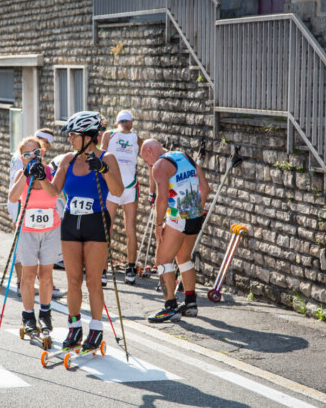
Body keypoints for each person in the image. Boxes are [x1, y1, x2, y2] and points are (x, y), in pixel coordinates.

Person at [49, 111, 123, 351]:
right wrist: (40, 178)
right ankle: (74, 327)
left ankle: (96, 329)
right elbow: (54, 191)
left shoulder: (107, 157)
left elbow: (118, 191)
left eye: (73, 135)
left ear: (89, 136)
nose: (69, 139)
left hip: (96, 222)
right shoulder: (67, 160)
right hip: (71, 222)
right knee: (73, 280)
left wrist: (103, 169)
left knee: (93, 280)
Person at [141, 139, 210, 322]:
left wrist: (158, 225)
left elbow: (162, 198)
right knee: (184, 258)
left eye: (146, 160)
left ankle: (170, 306)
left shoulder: (159, 165)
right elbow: (205, 188)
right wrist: (196, 210)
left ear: (149, 151)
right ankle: (190, 303)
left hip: (178, 218)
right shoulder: (185, 156)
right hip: (195, 216)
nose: (148, 165)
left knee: (162, 261)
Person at [9, 136, 61, 335]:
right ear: (22, 158)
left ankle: (45, 314)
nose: (32, 157)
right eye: (27, 154)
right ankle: (28, 316)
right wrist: (25, 174)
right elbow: (13, 197)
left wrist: (41, 177)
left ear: (42, 153)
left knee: (46, 275)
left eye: (36, 153)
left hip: (50, 230)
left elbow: (54, 193)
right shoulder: (20, 174)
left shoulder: (50, 171)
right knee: (28, 275)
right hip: (27, 231)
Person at [100, 110, 152, 285]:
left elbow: (100, 158)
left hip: (112, 187)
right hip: (130, 187)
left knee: (107, 228)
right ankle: (130, 269)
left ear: (117, 123)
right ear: (130, 123)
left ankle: (103, 270)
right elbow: (151, 158)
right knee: (130, 228)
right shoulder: (137, 138)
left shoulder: (108, 135)